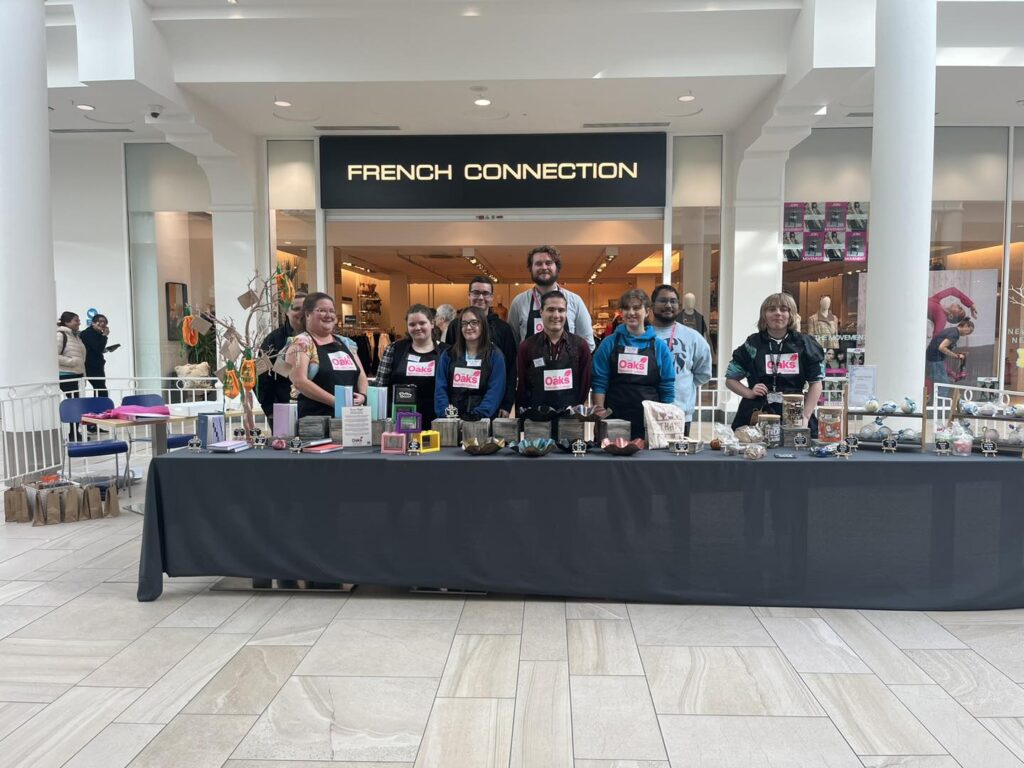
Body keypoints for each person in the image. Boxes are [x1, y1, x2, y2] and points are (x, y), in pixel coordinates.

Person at [725, 292, 825, 435]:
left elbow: (816, 383)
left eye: (784, 309)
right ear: (764, 315)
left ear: (791, 315)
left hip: (794, 413)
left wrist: (805, 417)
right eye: (772, 309)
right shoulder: (752, 344)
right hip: (756, 414)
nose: (778, 313)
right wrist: (749, 392)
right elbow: (730, 380)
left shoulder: (804, 344)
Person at [591, 289, 675, 440]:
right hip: (613, 418)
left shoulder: (660, 347)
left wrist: (664, 421)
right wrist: (599, 416)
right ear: (621, 313)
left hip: (648, 421)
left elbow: (667, 386)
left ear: (647, 311)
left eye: (636, 308)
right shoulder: (608, 343)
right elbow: (599, 381)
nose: (631, 312)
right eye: (626, 308)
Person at [287, 293, 368, 418]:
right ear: (307, 314)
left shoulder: (346, 343)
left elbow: (361, 375)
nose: (328, 315)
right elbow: (299, 381)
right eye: (322, 311)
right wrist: (336, 402)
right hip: (316, 422)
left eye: (332, 311)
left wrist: (363, 395)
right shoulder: (301, 343)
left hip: (350, 418)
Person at [445, 277, 517, 416]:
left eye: (485, 293)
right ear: (469, 295)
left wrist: (507, 404)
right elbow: (448, 364)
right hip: (457, 402)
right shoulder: (455, 326)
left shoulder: (503, 329)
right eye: (476, 293)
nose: (480, 297)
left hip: (492, 404)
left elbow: (511, 368)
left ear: (491, 297)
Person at [649, 285, 712, 436]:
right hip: (647, 410)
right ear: (652, 306)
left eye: (673, 301)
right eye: (663, 301)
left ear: (679, 306)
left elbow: (703, 373)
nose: (668, 305)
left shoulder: (693, 337)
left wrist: (684, 385)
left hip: (679, 412)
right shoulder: (642, 334)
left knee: (677, 457)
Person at [516, 290, 592, 412]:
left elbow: (585, 383)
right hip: (537, 419)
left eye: (561, 310)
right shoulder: (526, 347)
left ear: (566, 313)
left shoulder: (581, 346)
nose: (556, 315)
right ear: (541, 312)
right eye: (550, 310)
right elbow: (523, 386)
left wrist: (573, 412)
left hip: (570, 418)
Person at [507, 245, 595, 350]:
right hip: (530, 365)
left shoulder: (575, 301)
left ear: (557, 267)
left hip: (567, 365)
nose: (544, 267)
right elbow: (512, 343)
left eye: (548, 263)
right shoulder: (518, 302)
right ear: (531, 268)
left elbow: (588, 344)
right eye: (538, 263)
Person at [376, 304, 448, 424]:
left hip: (437, 421)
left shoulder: (447, 352)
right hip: (399, 422)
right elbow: (380, 387)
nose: (417, 327)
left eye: (422, 323)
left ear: (432, 323)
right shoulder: (393, 349)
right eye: (412, 324)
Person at [435, 305, 506, 419]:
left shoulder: (495, 355)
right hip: (451, 421)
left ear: (483, 325)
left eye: (474, 322)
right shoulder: (448, 355)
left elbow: (495, 390)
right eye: (464, 323)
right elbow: (440, 388)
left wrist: (478, 414)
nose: (468, 327)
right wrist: (445, 414)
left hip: (483, 421)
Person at [257, 291, 307, 427]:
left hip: (316, 411)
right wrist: (269, 410)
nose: (301, 313)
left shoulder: (318, 337)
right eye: (296, 309)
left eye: (305, 308)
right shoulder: (272, 340)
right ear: (286, 312)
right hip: (282, 410)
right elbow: (260, 376)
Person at [57, 311, 87, 441]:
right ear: (67, 322)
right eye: (76, 320)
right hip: (66, 375)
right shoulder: (60, 335)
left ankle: (75, 432)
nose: (79, 322)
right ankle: (73, 433)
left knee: (76, 404)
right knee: (73, 405)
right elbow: (54, 355)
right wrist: (72, 362)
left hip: (76, 374)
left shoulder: (76, 336)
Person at [79, 314, 120, 400]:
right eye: (100, 321)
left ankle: (99, 408)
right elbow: (97, 348)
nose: (102, 324)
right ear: (93, 323)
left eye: (105, 322)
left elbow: (97, 349)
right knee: (101, 389)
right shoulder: (87, 333)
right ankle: (101, 408)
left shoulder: (98, 334)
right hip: (89, 366)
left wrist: (106, 349)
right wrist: (105, 336)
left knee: (99, 389)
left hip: (97, 365)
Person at [927, 318, 974, 388]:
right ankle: (940, 399)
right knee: (944, 385)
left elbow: (943, 347)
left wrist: (958, 354)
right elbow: (942, 347)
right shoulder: (954, 334)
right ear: (965, 325)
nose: (967, 334)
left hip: (934, 360)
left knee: (939, 384)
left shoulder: (952, 331)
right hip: (935, 360)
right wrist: (956, 356)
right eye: (969, 331)